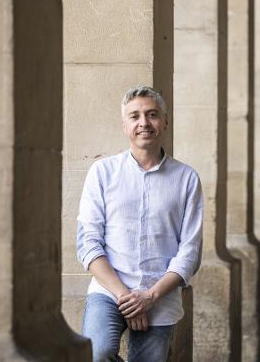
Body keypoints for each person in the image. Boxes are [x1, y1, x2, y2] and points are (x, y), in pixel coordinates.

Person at [77, 86, 203, 361]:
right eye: (134, 116)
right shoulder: (102, 172)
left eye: (152, 114)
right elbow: (88, 244)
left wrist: (150, 296)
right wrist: (127, 297)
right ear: (125, 125)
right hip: (110, 291)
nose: (143, 123)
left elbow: (189, 252)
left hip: (161, 296)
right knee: (96, 354)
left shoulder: (187, 179)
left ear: (165, 121)